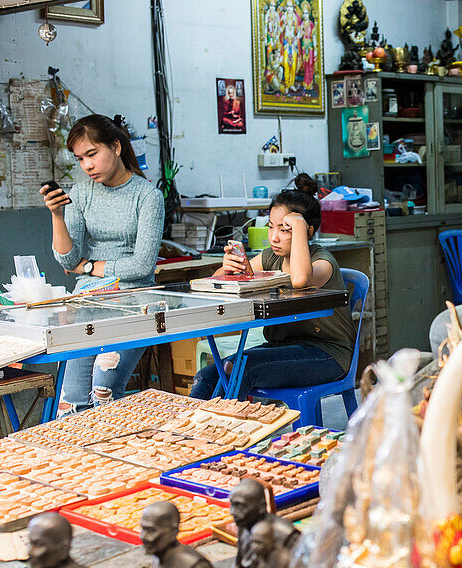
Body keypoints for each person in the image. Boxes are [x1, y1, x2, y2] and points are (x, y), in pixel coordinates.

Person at [190, 174, 356, 400]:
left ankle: (222, 430)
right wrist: (226, 269)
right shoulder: (270, 257)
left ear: (308, 231)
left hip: (327, 355)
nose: (274, 237)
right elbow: (219, 278)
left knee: (241, 369)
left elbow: (299, 279)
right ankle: (187, 430)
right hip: (283, 348)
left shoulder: (323, 262)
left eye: (285, 229)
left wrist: (298, 225)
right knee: (211, 373)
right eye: (271, 227)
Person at [43, 114, 164, 415]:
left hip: (134, 302)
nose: (86, 165)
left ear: (117, 146)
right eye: (80, 158)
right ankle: (83, 462)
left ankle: (119, 457)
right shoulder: (81, 194)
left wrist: (90, 267)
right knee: (70, 402)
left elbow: (141, 266)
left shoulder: (148, 195)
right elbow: (68, 260)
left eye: (92, 154)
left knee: (104, 388)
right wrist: (57, 216)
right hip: (87, 304)